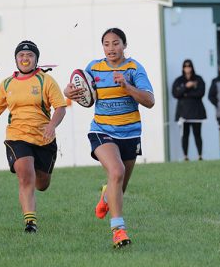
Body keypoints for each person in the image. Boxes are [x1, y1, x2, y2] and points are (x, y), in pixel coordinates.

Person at [64, 28, 155, 248]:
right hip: (102, 130)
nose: (111, 48)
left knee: (119, 188)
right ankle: (119, 230)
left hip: (130, 133)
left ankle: (106, 197)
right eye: (106, 44)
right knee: (116, 172)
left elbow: (150, 100)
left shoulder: (134, 68)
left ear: (124, 45)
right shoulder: (94, 68)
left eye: (116, 43)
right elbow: (81, 92)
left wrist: (127, 87)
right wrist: (69, 93)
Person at [0, 40, 67, 233]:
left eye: (29, 55)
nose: (25, 58)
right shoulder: (7, 84)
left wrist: (51, 125)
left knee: (42, 183)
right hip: (17, 136)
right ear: (16, 59)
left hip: (43, 137)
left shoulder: (46, 81)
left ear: (36, 59)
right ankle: (30, 223)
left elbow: (61, 108)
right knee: (25, 174)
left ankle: (40, 181)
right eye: (21, 55)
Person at [172, 59, 207, 161]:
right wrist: (186, 87)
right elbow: (175, 93)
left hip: (196, 112)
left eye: (189, 66)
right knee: (185, 135)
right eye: (185, 67)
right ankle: (185, 156)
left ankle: (200, 155)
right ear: (183, 68)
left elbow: (201, 93)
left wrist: (185, 94)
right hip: (183, 112)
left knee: (197, 134)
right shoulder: (179, 80)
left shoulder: (198, 79)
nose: (187, 69)